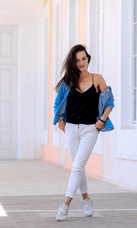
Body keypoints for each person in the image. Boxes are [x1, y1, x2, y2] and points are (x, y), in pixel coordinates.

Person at [53, 44, 114, 221]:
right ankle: (87, 200)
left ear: (88, 58)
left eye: (83, 58)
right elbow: (58, 103)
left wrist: (101, 120)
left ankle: (65, 205)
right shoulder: (68, 81)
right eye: (77, 60)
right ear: (73, 62)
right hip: (71, 129)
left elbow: (110, 101)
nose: (81, 62)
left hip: (90, 129)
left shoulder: (97, 78)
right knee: (79, 168)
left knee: (77, 166)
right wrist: (61, 121)